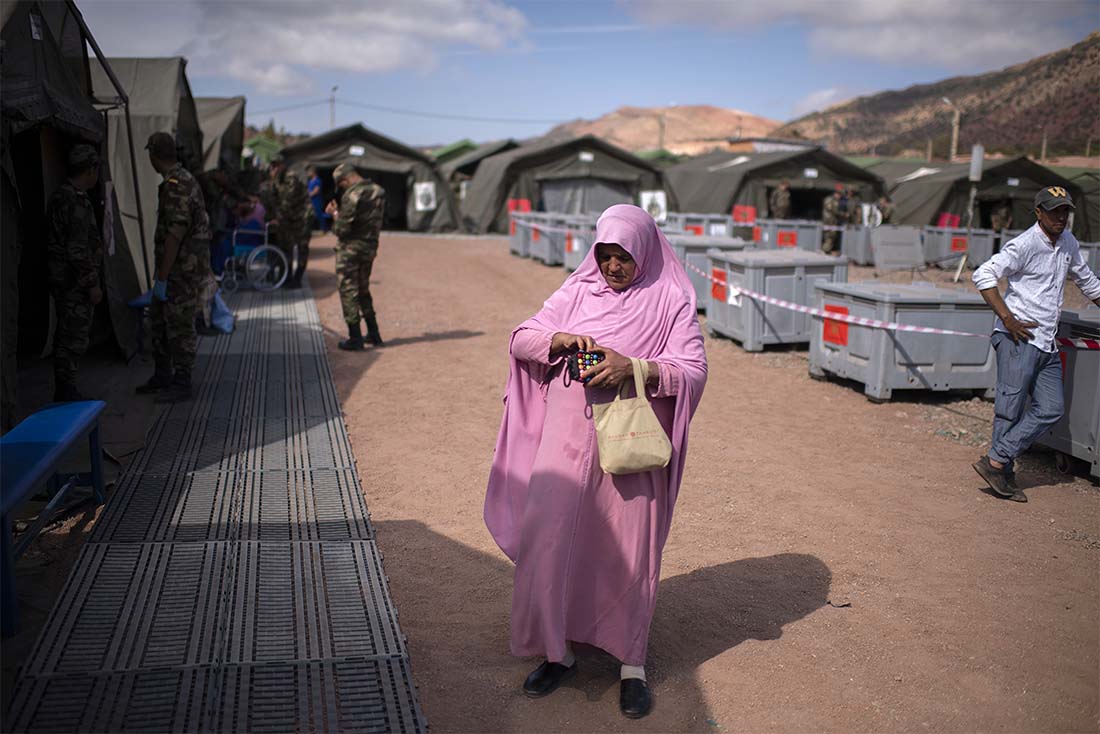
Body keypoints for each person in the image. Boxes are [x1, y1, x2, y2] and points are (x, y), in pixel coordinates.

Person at [484, 204, 708, 719]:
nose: (611, 267)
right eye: (604, 255)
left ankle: (632, 665)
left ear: (644, 252)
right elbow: (522, 337)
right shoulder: (577, 290)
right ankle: (558, 654)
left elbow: (693, 371)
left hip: (628, 450)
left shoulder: (671, 300)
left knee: (629, 553)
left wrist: (636, 368)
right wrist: (557, 340)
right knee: (551, 541)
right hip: (563, 446)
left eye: (622, 257)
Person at [971, 186, 1100, 502]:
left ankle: (996, 459)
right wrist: (1008, 318)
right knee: (1009, 410)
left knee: (1052, 408)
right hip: (1019, 338)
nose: (1061, 217)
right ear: (1039, 212)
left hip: (1046, 343)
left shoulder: (1068, 242)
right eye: (1054, 210)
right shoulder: (1026, 244)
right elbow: (983, 275)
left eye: (1065, 211)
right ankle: (1003, 472)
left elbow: (1087, 281)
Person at [136, 132, 213, 402]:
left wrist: (164, 276)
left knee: (179, 324)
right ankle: (163, 375)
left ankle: (182, 381)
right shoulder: (179, 179)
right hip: (177, 269)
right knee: (158, 320)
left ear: (154, 155)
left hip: (182, 271)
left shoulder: (177, 183)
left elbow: (176, 232)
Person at [46, 143, 103, 402]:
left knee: (66, 332)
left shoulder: (62, 195)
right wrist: (92, 284)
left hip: (63, 279)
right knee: (74, 334)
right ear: (90, 170)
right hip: (73, 282)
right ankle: (66, 389)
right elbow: (78, 250)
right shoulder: (75, 200)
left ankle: (65, 386)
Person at [327, 162, 386, 350]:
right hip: (369, 248)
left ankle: (355, 338)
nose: (343, 188)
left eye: (342, 184)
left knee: (348, 290)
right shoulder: (379, 191)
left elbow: (342, 230)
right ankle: (374, 333)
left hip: (350, 250)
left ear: (345, 179)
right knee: (363, 289)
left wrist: (335, 213)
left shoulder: (352, 195)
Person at [267, 155, 311, 288]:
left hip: (302, 217)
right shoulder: (277, 179)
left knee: (301, 248)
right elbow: (272, 198)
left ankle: (297, 279)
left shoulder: (290, 177)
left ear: (282, 165)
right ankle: (286, 277)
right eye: (272, 166)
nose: (273, 168)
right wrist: (273, 180)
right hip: (288, 218)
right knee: (286, 247)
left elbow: (287, 201)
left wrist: (278, 218)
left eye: (276, 165)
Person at [307, 166, 330, 232]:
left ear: (313, 172)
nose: (308, 173)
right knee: (311, 215)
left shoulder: (318, 180)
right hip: (311, 201)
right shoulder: (310, 181)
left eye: (309, 172)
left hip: (317, 200)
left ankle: (324, 228)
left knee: (319, 214)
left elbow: (316, 191)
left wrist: (309, 194)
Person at [821, 185, 842, 254]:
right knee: (829, 236)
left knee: (832, 237)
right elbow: (831, 209)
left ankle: (827, 250)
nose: (839, 196)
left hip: (833, 222)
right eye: (838, 194)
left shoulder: (836, 201)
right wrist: (841, 214)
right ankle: (824, 250)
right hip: (828, 221)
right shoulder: (829, 199)